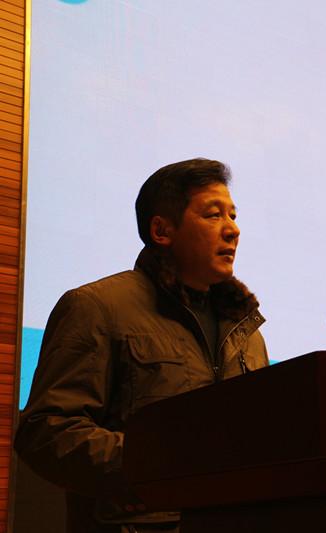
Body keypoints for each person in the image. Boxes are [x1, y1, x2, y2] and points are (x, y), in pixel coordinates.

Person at [14, 158, 268, 533]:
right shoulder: (97, 307)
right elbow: (45, 431)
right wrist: (155, 464)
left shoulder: (247, 332)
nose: (233, 230)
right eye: (213, 215)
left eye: (233, 215)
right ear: (161, 230)